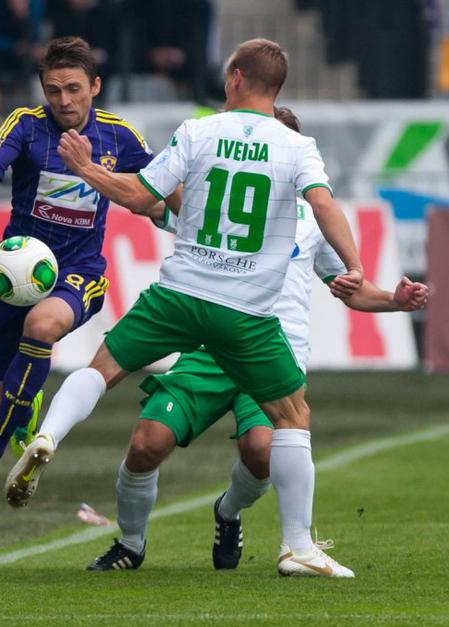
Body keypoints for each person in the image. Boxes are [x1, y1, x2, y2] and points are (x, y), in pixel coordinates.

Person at [6, 38, 364, 578]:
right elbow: (323, 205)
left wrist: (87, 168)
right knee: (293, 417)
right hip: (244, 310)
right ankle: (297, 547)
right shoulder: (297, 147)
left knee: (102, 368)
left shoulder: (198, 131)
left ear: (236, 78)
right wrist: (354, 263)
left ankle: (48, 434)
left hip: (179, 294)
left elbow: (140, 195)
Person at [85, 107, 430, 572]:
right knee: (147, 443)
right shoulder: (216, 201)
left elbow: (350, 288)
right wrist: (115, 177)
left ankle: (229, 511)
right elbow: (153, 202)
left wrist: (394, 299)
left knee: (262, 450)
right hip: (210, 346)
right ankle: (131, 543)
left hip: (270, 349)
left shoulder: (312, 220)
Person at [0, 36, 158, 489]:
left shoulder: (120, 136)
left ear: (95, 86)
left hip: (80, 273)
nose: (64, 100)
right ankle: (23, 408)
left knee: (40, 326)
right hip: (13, 276)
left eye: (74, 88)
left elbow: (160, 193)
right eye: (53, 90)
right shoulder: (26, 125)